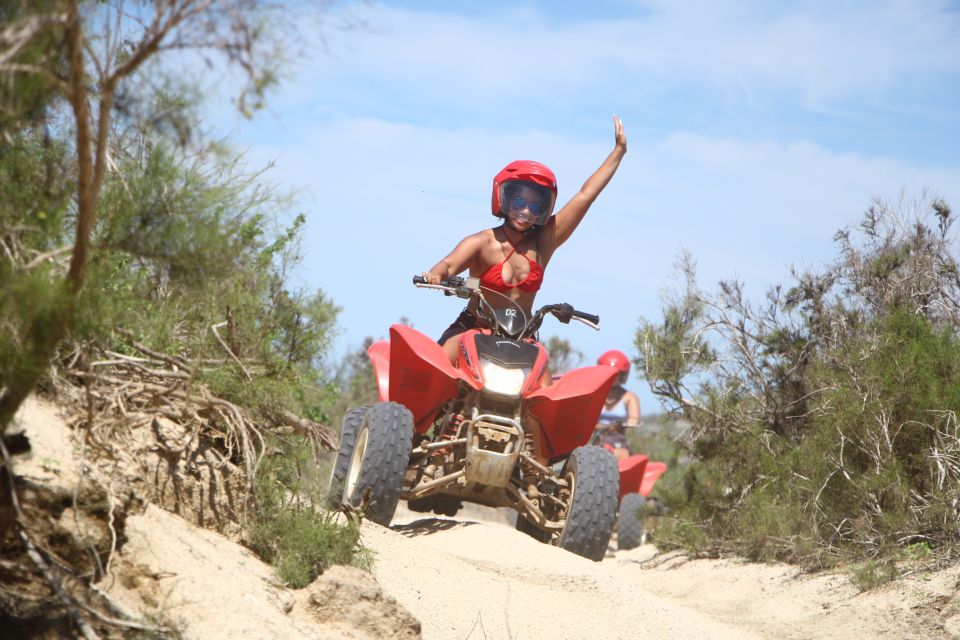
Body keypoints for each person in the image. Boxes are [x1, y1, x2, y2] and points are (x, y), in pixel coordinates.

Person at [422, 116, 627, 367]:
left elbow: (585, 196)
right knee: (435, 370)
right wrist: (435, 275)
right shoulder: (482, 243)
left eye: (534, 205)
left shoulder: (544, 242)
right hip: (473, 331)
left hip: (521, 339)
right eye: (519, 202)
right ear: (504, 199)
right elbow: (447, 266)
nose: (525, 211)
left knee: (548, 395)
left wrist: (618, 152)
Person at [595, 349, 641, 460]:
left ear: (622, 375)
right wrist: (602, 427)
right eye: (609, 373)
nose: (613, 377)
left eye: (616, 374)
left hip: (618, 440)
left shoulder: (629, 397)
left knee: (621, 456)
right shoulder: (595, 395)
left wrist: (622, 425)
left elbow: (634, 419)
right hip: (595, 439)